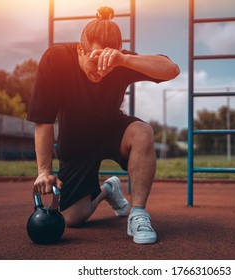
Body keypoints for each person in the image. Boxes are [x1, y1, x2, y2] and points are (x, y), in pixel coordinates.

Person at [26, 6, 180, 244]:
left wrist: (124, 59)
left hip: (112, 130)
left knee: (142, 132)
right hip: (75, 139)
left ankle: (138, 214)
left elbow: (172, 69)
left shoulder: (118, 60)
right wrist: (44, 171)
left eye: (107, 60)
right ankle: (109, 189)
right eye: (95, 58)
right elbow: (44, 121)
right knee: (72, 218)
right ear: (80, 49)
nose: (102, 68)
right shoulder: (55, 60)